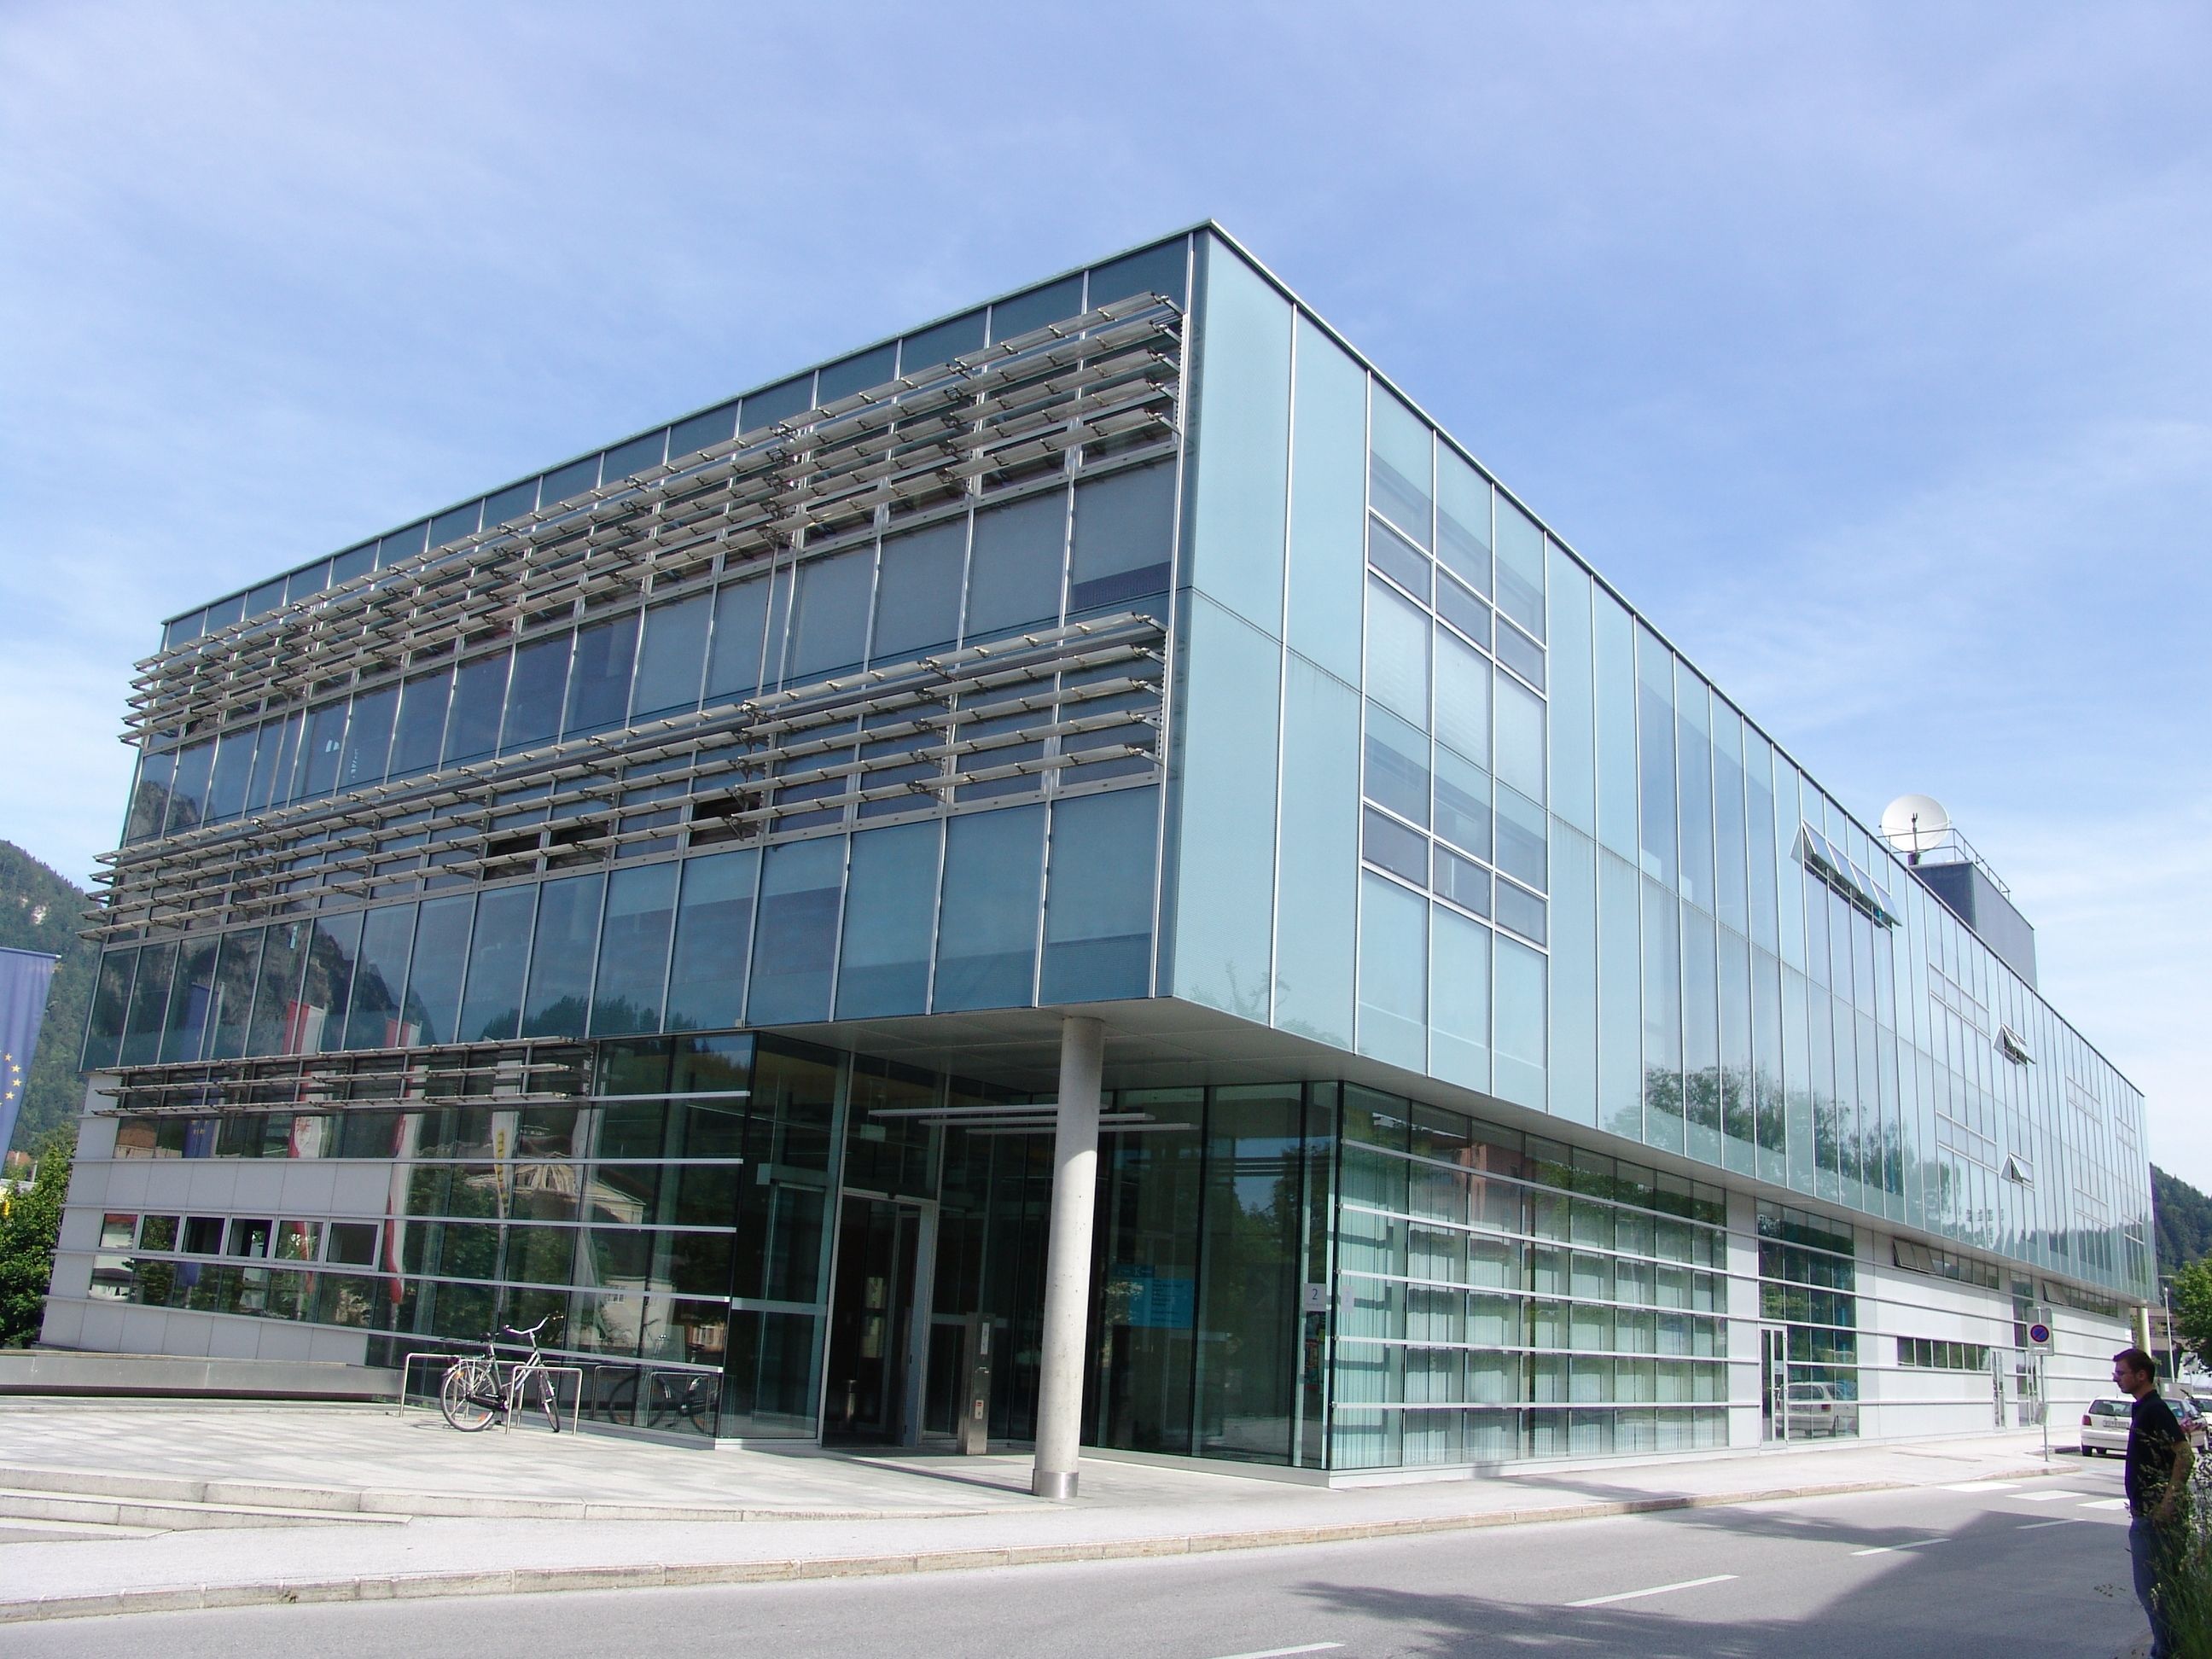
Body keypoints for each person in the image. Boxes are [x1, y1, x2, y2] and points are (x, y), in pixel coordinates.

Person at [2116, 1345, 2195, 1658]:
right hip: (2147, 1514)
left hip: (2155, 1517)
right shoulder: (2143, 1408)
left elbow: (2184, 1455)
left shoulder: (2154, 1409)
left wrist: (2167, 1503)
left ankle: (2168, 1651)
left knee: (2155, 1591)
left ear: (2141, 1375)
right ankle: (2172, 1649)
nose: (2116, 1378)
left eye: (2121, 1373)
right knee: (2162, 1589)